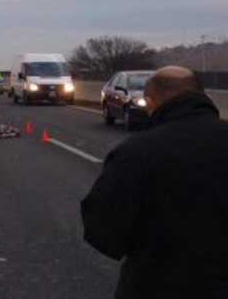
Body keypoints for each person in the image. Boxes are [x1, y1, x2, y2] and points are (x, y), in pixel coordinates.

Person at [81, 66, 228, 298]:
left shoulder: (136, 152)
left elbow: (102, 231)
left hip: (157, 283)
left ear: (150, 103)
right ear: (205, 97)